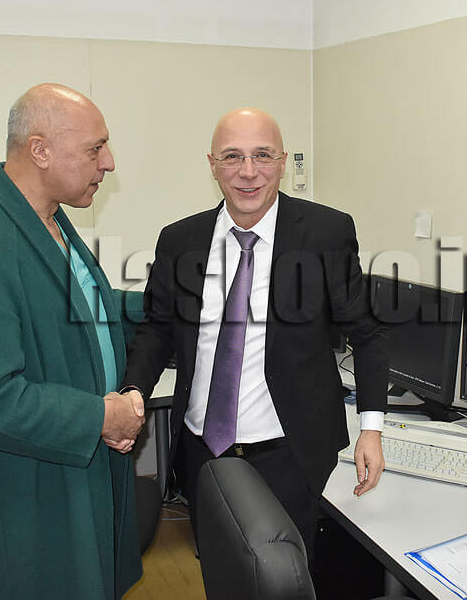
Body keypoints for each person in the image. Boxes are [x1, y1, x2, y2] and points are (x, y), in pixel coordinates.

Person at [124, 107, 388, 557]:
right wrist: (133, 391)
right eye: (232, 156)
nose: (248, 172)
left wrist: (372, 429)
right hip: (204, 453)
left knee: (288, 575)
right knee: (220, 569)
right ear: (212, 165)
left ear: (282, 162)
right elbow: (157, 329)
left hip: (293, 454)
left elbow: (366, 333)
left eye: (262, 155)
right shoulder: (180, 239)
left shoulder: (326, 233)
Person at [0, 83, 144, 599]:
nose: (108, 162)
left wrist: (173, 305)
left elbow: (85, 309)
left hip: (75, 473)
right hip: (27, 498)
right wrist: (100, 417)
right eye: (95, 148)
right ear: (39, 150)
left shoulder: (50, 222)